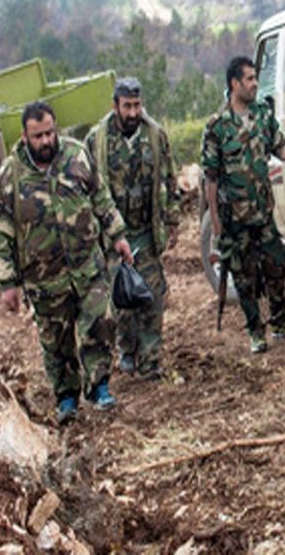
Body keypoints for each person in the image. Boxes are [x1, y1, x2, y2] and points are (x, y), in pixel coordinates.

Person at [0, 101, 134, 425]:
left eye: (50, 133)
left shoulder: (77, 155)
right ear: (25, 137)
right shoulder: (10, 176)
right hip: (44, 278)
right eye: (38, 136)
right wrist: (7, 283)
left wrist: (118, 235)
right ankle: (66, 396)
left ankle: (99, 386)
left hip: (88, 267)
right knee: (57, 339)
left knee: (101, 321)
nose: (45, 141)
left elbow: (101, 198)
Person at [202, 56, 285, 354]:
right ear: (234, 84)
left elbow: (279, 146)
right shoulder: (217, 127)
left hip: (262, 212)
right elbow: (211, 179)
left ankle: (280, 322)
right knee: (244, 276)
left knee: (276, 265)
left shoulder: (262, 115)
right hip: (234, 218)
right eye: (250, 79)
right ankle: (256, 331)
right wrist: (215, 222)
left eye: (256, 78)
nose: (255, 84)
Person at [86, 77, 181, 381]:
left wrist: (172, 220)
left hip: (145, 229)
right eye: (127, 106)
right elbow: (88, 189)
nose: (132, 112)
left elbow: (169, 177)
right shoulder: (97, 140)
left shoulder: (155, 135)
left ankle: (151, 359)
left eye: (137, 105)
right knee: (122, 298)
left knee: (152, 296)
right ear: (115, 106)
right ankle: (127, 350)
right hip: (115, 235)